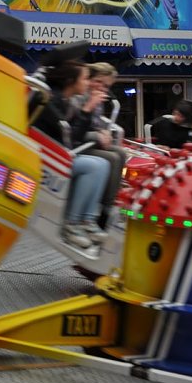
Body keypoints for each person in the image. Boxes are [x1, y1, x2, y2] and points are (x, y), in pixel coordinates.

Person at [31, 60, 109, 249]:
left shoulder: (64, 101)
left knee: (103, 164)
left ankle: (87, 220)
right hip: (47, 158)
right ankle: (71, 224)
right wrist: (87, 109)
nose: (87, 82)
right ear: (70, 81)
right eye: (84, 78)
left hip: (58, 153)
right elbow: (70, 138)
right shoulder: (53, 101)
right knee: (93, 166)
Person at [74, 62, 126, 229]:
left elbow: (94, 123)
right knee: (110, 158)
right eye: (99, 82)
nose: (102, 88)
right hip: (79, 142)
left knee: (121, 154)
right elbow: (77, 128)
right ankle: (97, 210)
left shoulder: (98, 98)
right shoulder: (81, 96)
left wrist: (104, 133)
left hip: (89, 139)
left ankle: (107, 206)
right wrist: (97, 135)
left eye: (106, 85)